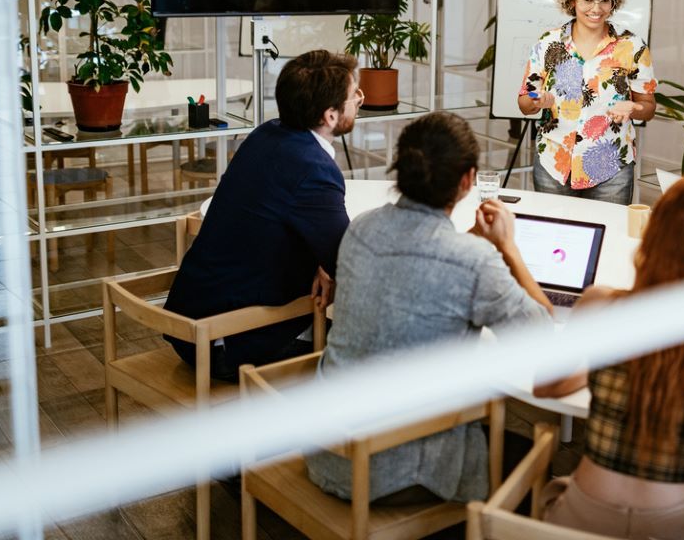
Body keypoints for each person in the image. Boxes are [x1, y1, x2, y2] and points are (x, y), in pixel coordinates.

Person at [306, 111, 553, 505]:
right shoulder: (472, 261)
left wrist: (474, 241)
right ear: (468, 180)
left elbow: (417, 266)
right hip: (393, 469)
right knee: (540, 457)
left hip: (328, 449)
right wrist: (508, 247)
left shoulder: (361, 228)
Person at [534, 175, 684, 540]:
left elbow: (545, 386)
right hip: (676, 526)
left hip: (582, 520)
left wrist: (605, 361)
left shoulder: (600, 304)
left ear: (653, 237)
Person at [164, 49, 360, 380]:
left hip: (191, 325)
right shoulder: (314, 169)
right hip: (226, 342)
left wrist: (324, 263)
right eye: (355, 94)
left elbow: (286, 227)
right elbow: (350, 262)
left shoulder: (267, 134)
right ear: (330, 116)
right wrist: (329, 264)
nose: (360, 99)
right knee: (367, 350)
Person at [518, 0, 657, 205]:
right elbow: (524, 102)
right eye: (588, 0)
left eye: (605, 0)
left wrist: (635, 108)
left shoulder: (631, 46)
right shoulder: (549, 43)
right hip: (554, 162)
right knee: (554, 238)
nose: (597, 8)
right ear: (572, 1)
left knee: (609, 238)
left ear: (614, 2)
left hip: (611, 166)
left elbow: (648, 107)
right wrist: (536, 101)